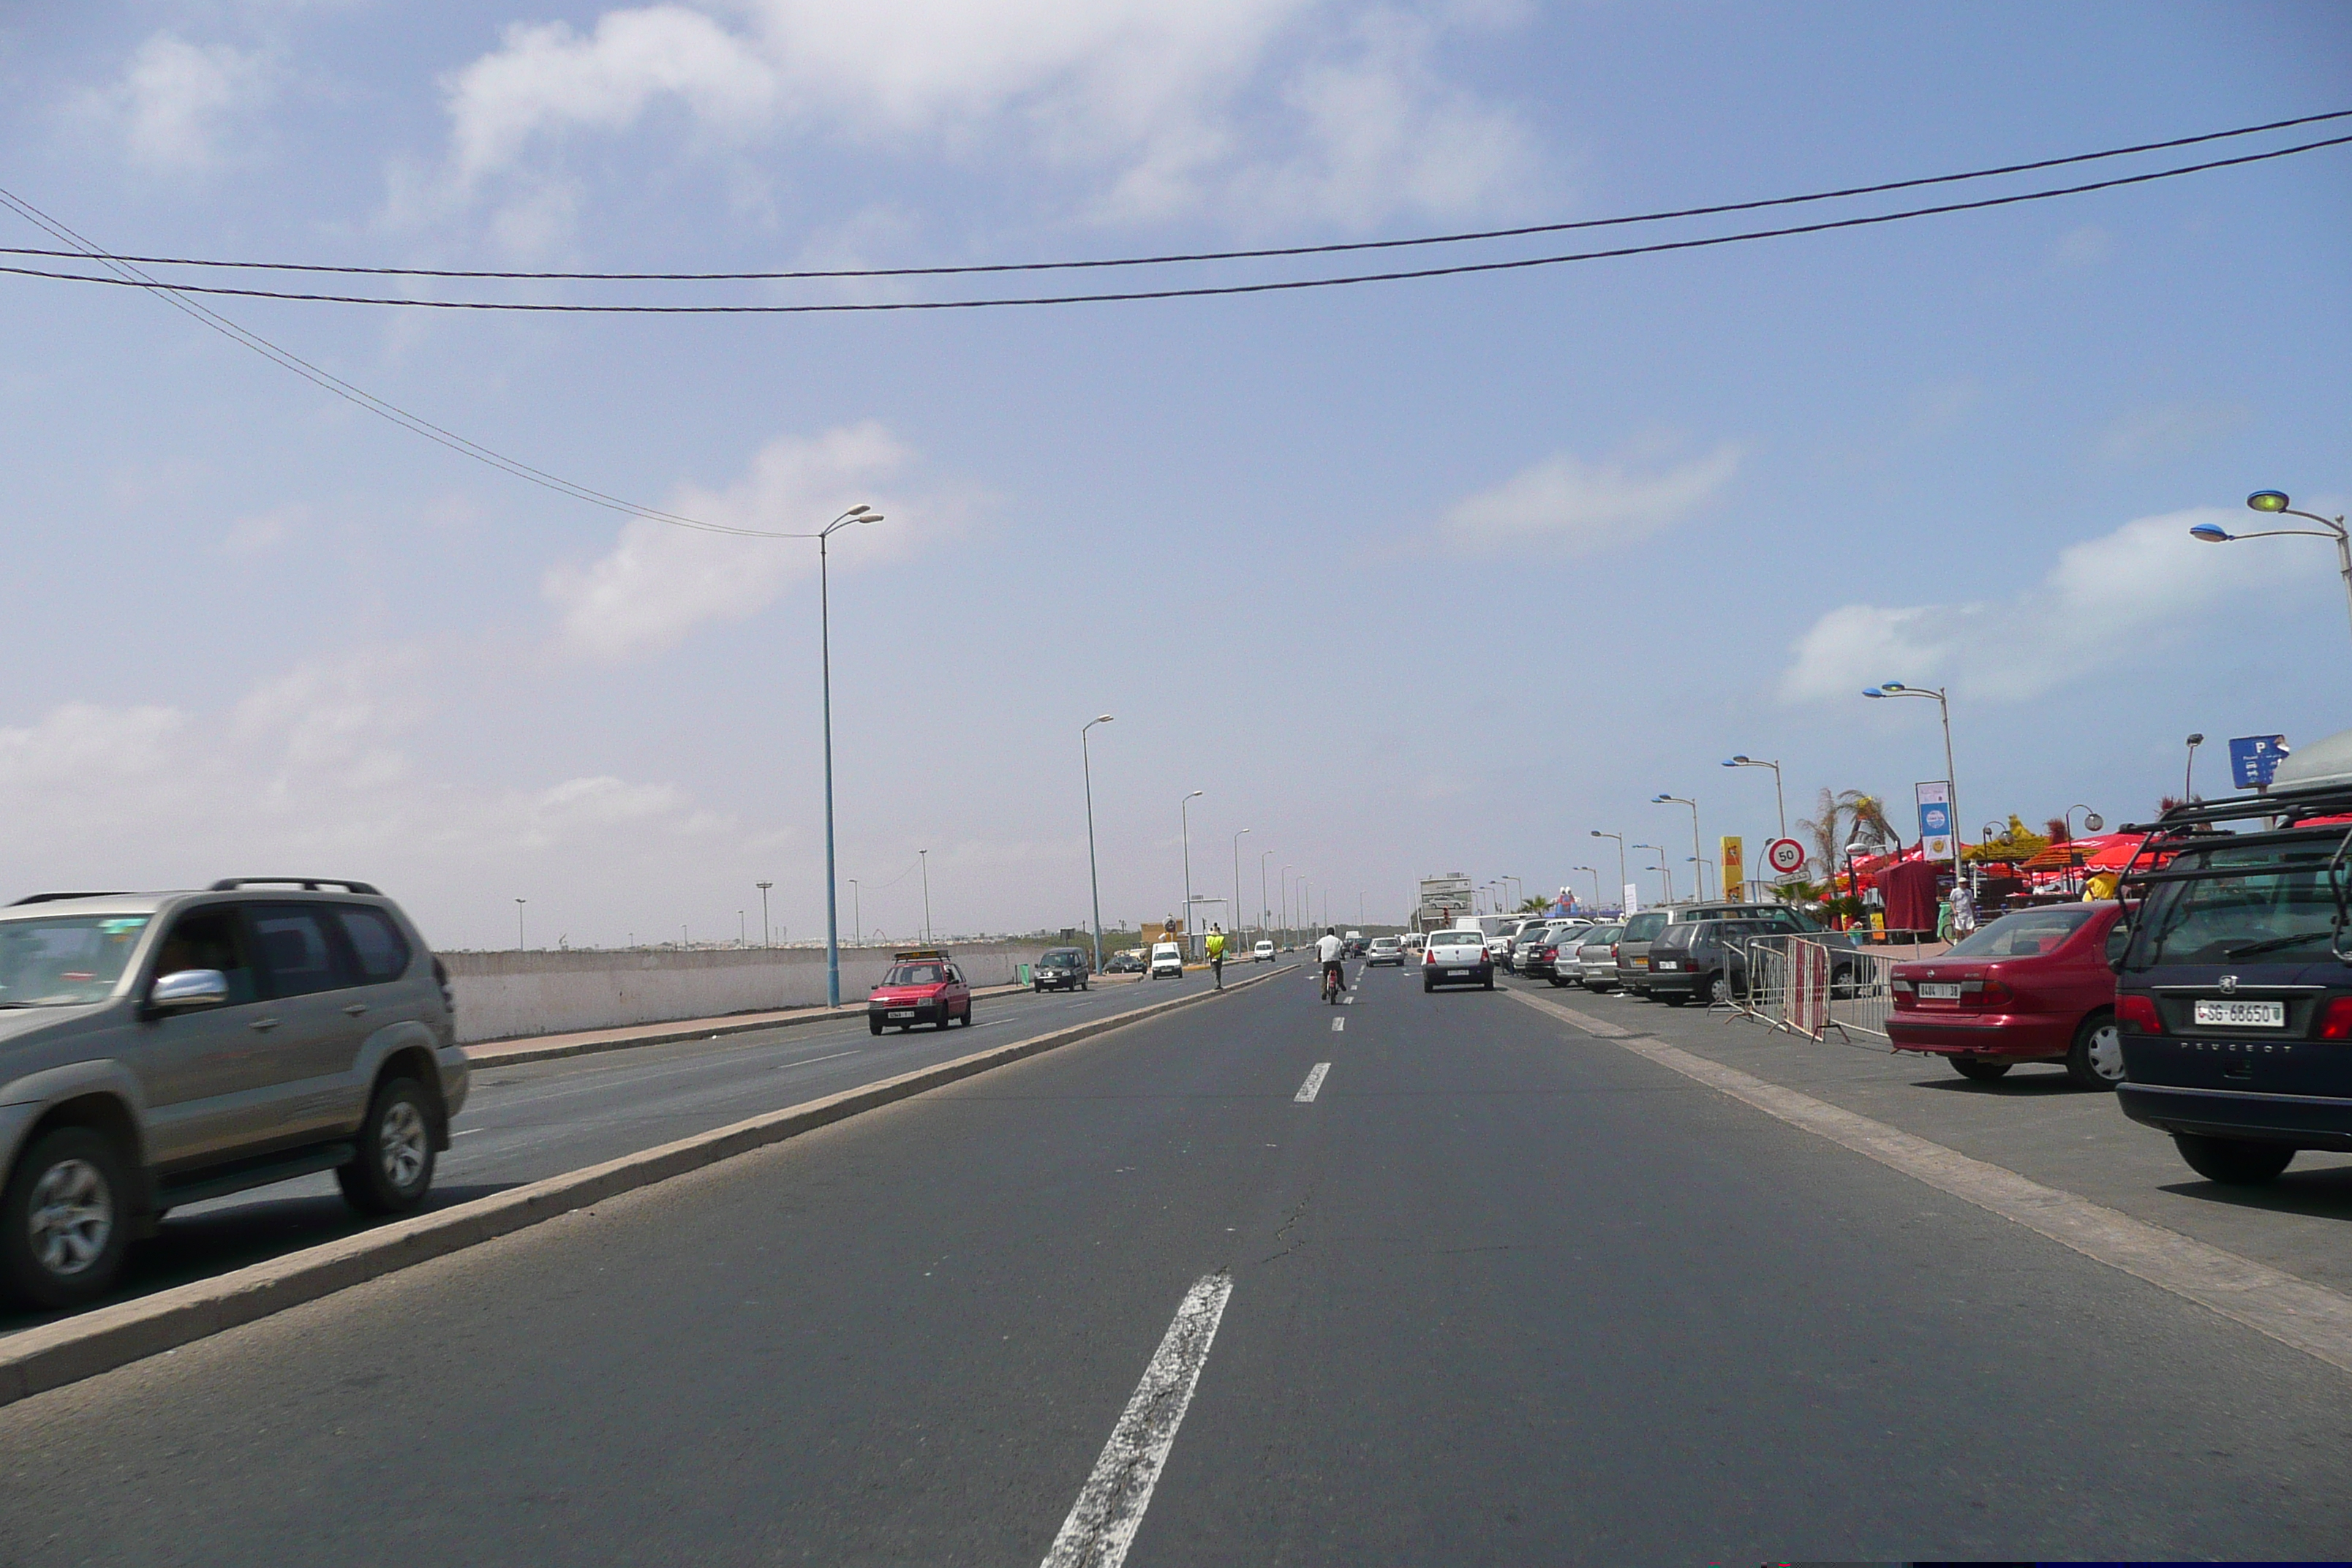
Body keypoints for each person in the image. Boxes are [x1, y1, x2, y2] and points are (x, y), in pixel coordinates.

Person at [1316, 926, 1343, 998]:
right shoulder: (1337, 940)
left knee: (1324, 975)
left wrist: (1319, 959)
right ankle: (1340, 983)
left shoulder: (1323, 940)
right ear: (1334, 933)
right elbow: (1342, 949)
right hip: (1336, 961)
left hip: (1326, 961)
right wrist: (1342, 957)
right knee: (1340, 971)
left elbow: (1318, 947)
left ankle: (1324, 991)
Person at [1206, 924, 1227, 990]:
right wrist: (1216, 953)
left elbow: (1208, 948)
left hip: (1211, 957)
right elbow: (1222, 948)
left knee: (1214, 970)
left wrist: (1212, 954)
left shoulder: (1208, 939)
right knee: (1219, 970)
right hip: (1219, 956)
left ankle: (1217, 983)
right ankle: (1219, 984)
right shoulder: (1221, 938)